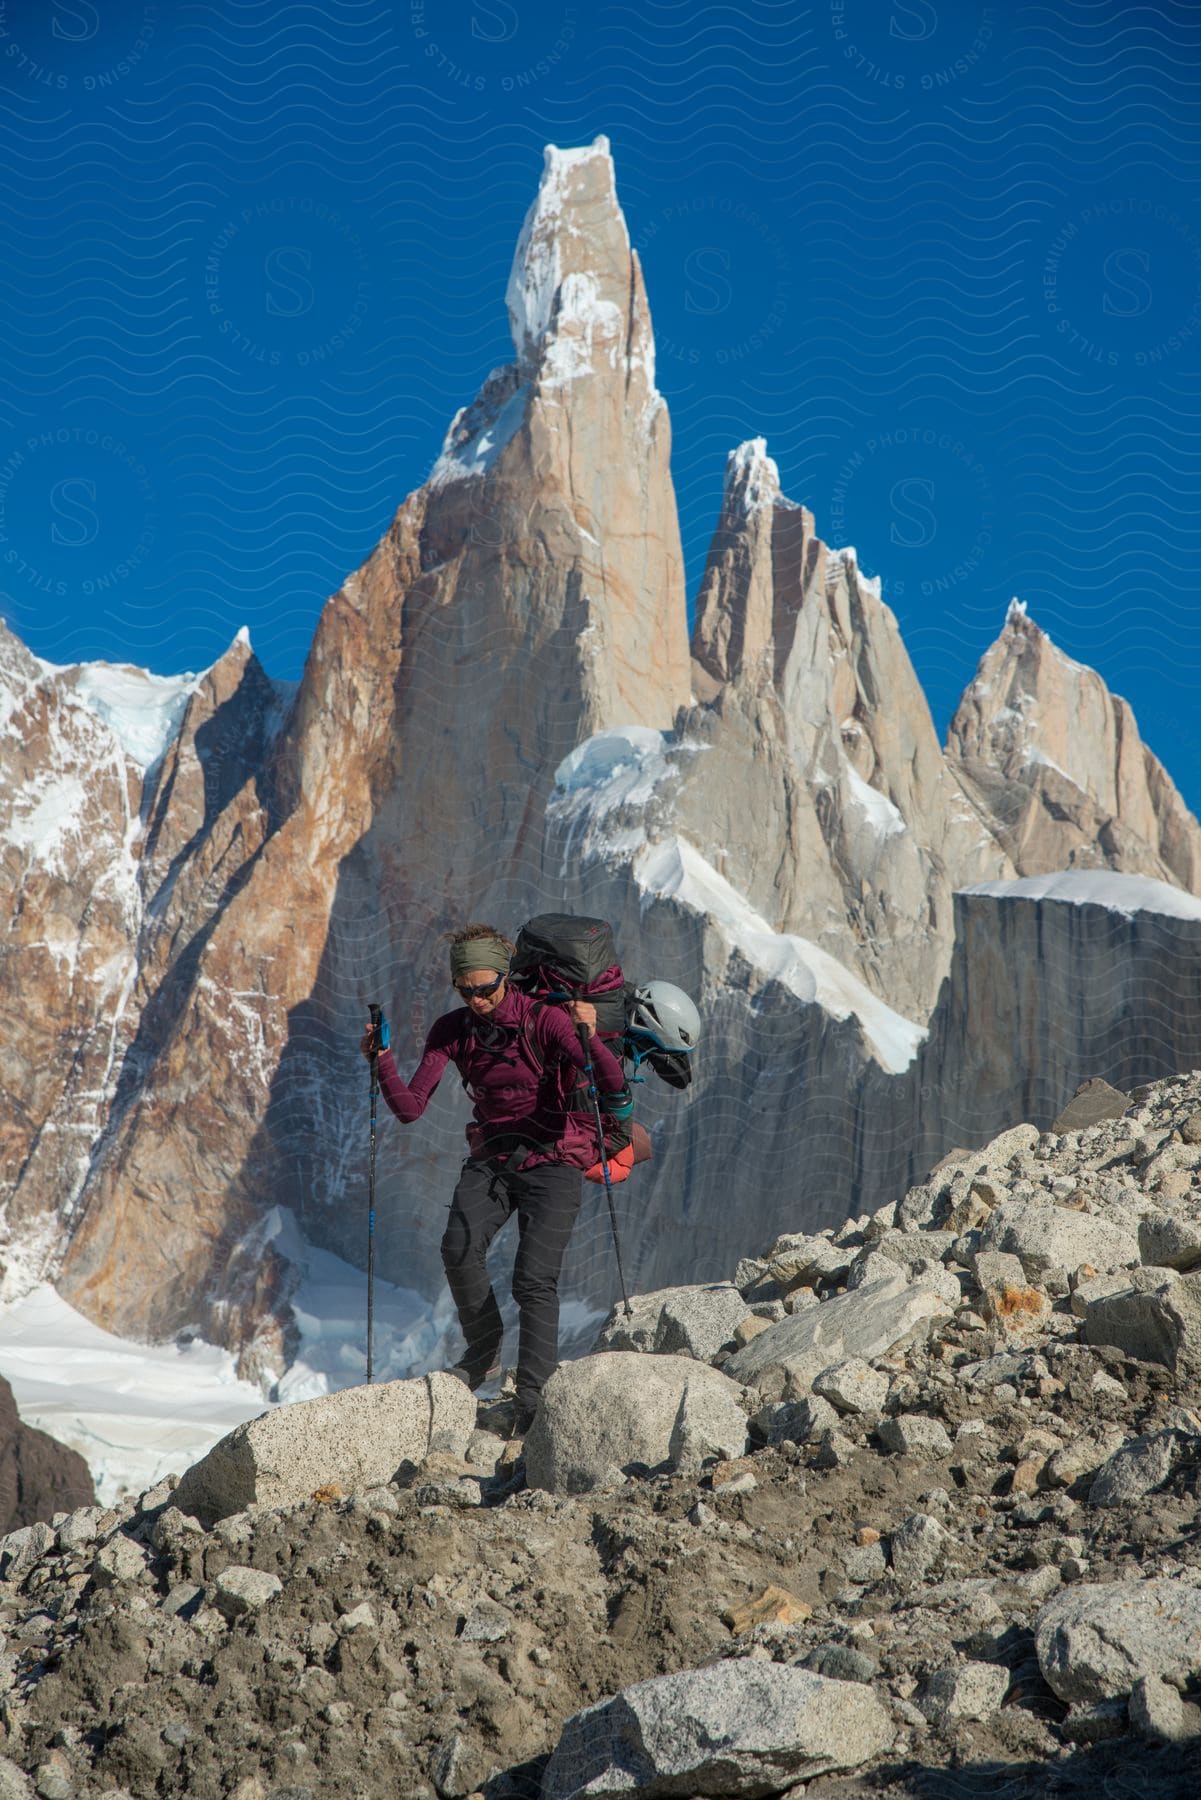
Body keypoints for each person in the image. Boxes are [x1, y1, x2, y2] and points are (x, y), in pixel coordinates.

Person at [360, 923, 629, 1434]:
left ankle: (532, 1401)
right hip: (494, 1156)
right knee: (457, 1249)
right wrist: (383, 1060)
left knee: (533, 1279)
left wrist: (588, 1037)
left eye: (487, 988)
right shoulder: (451, 1030)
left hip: (553, 1155)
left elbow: (609, 1081)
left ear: (507, 978)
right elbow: (410, 1108)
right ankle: (484, 1353)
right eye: (467, 990)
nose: (478, 999)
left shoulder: (546, 1020)